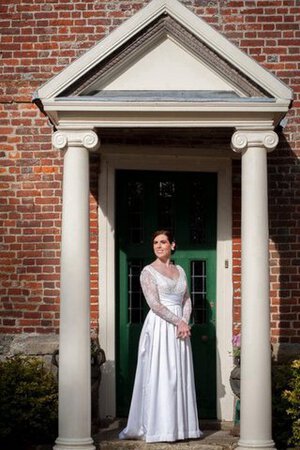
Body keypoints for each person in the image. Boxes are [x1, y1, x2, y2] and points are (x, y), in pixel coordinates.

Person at [119, 230, 202, 443]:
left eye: (163, 242)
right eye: (155, 242)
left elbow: (186, 299)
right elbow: (155, 304)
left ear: (172, 245)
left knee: (178, 376)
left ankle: (181, 429)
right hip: (160, 326)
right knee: (162, 374)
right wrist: (178, 322)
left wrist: (185, 321)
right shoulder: (148, 272)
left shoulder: (181, 270)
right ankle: (160, 428)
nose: (158, 245)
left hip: (180, 330)